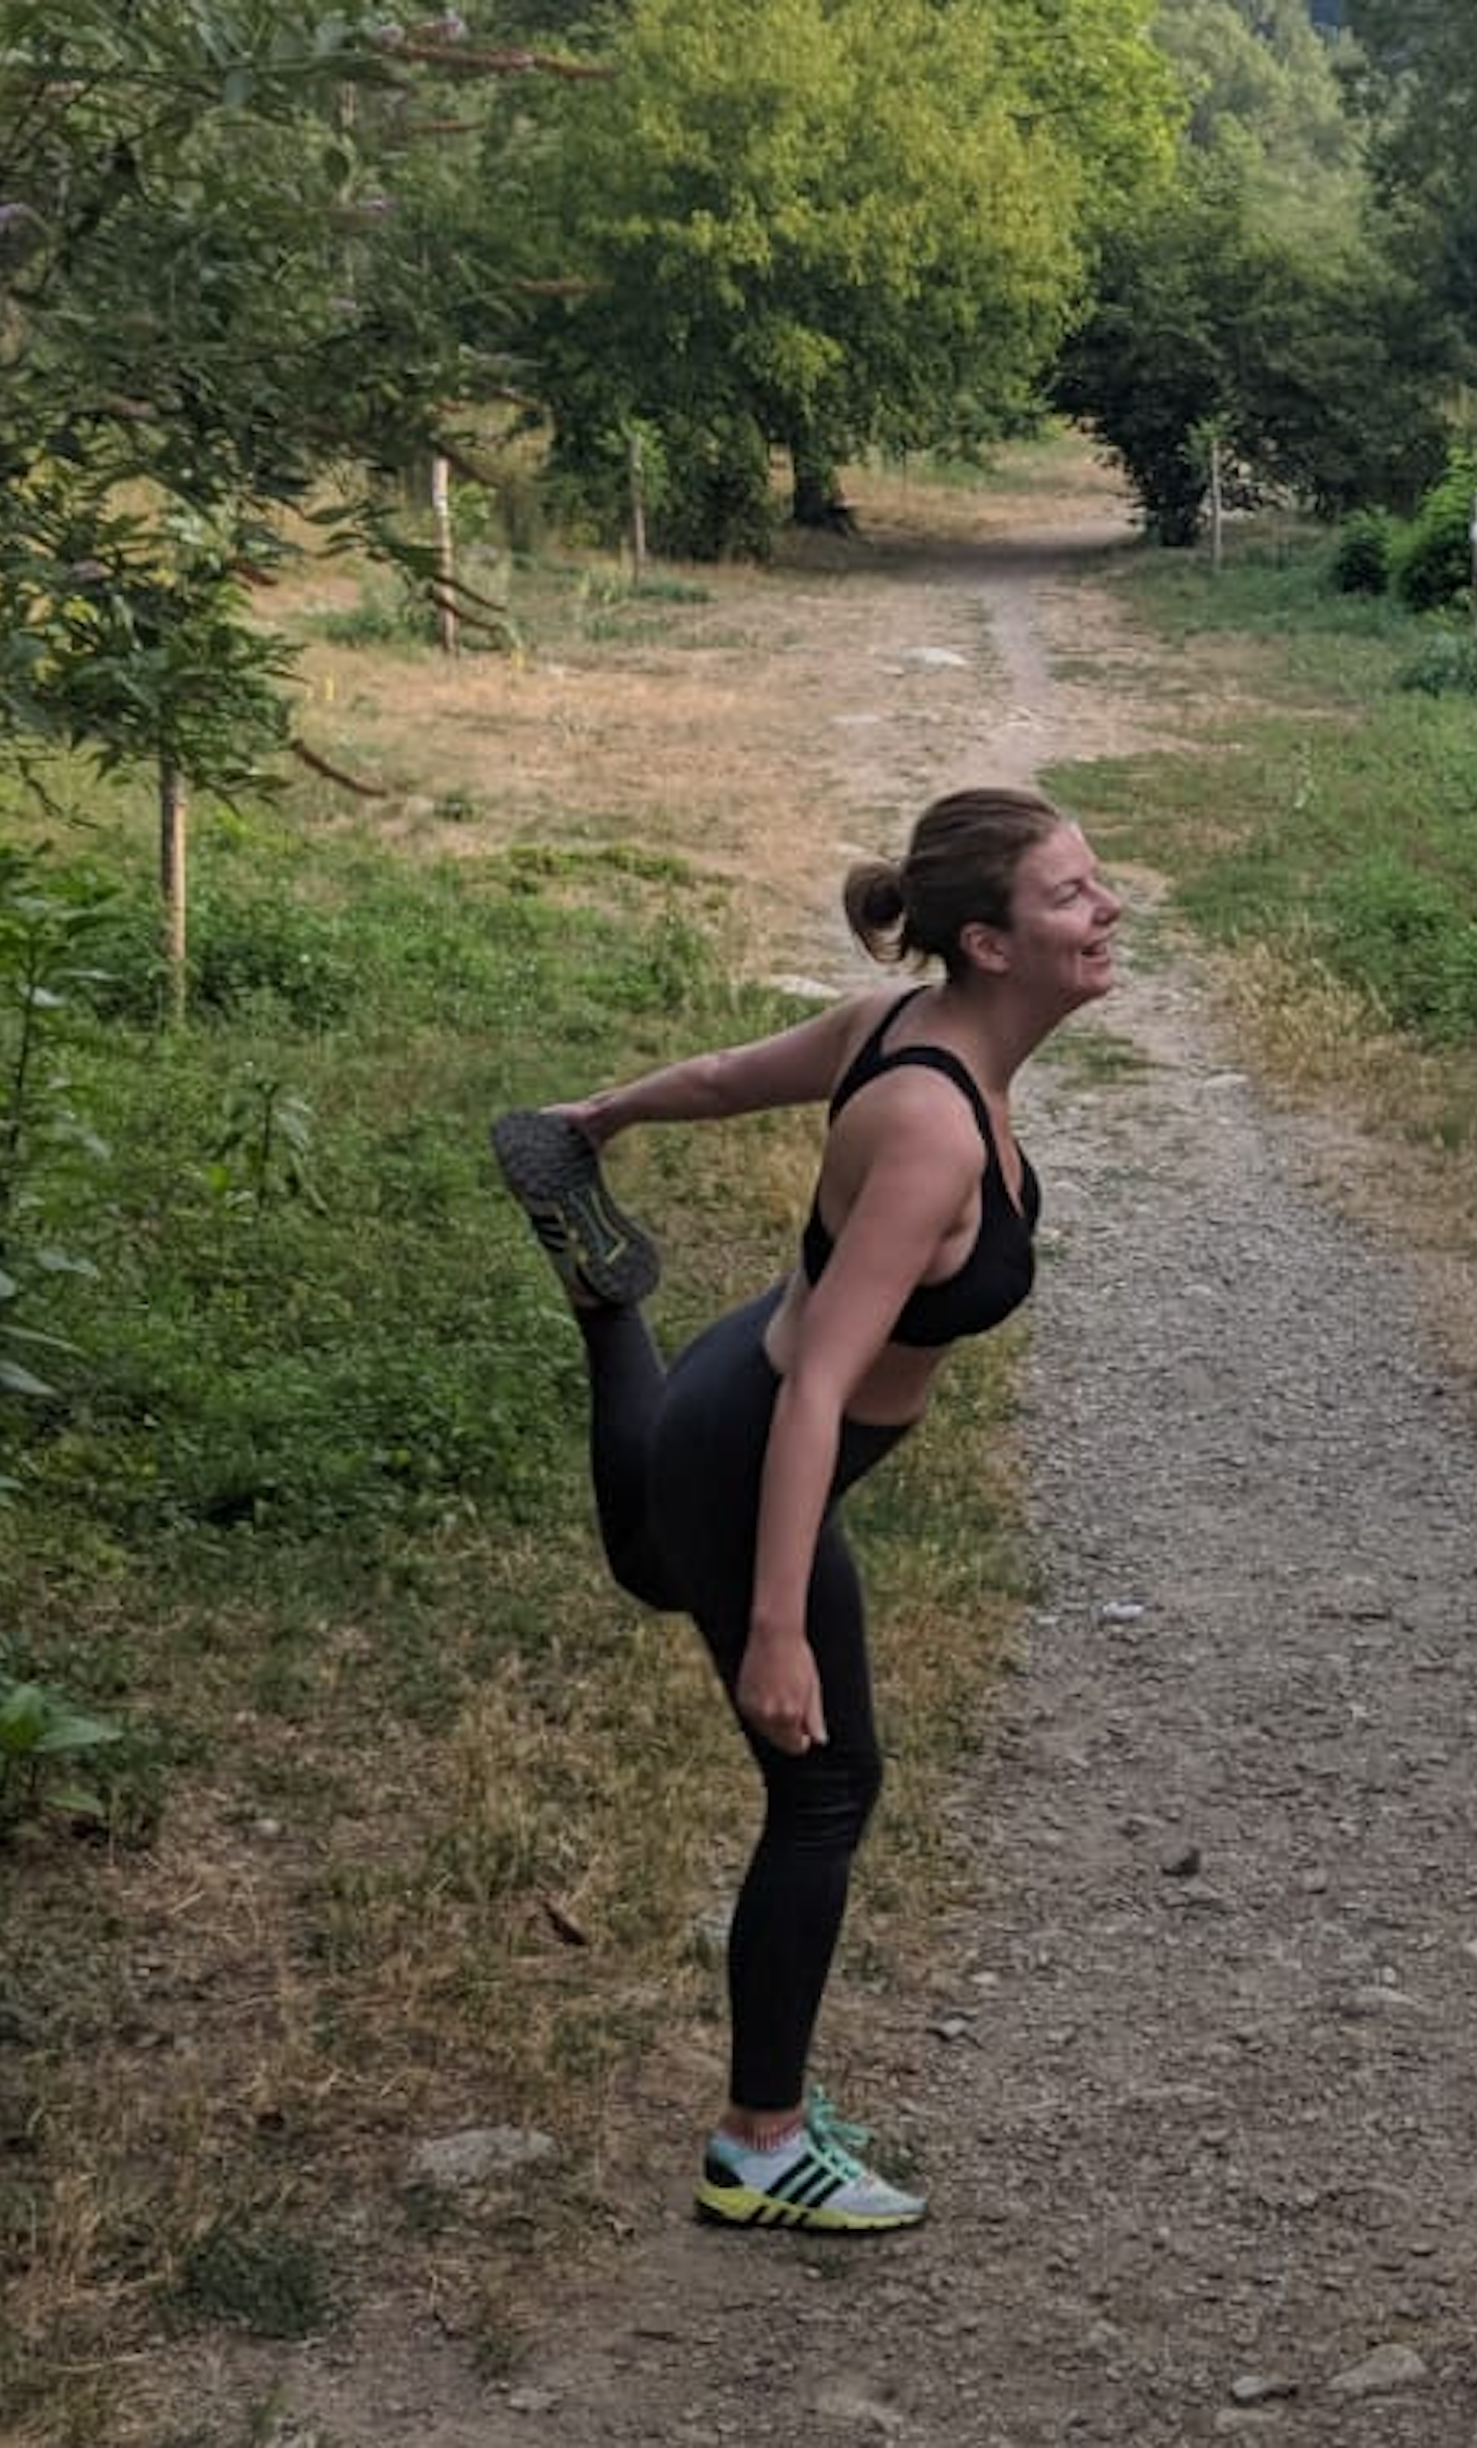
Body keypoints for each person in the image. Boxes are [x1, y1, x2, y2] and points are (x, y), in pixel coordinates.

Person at [488, 784, 1123, 2234]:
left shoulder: (900, 1032)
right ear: (988, 940)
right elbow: (823, 1394)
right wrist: (777, 1629)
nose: (1109, 911)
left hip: (731, 1382)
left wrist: (599, 1117)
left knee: (659, 1559)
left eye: (1098, 883)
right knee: (824, 1784)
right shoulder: (932, 1127)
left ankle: (607, 1302)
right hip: (764, 1424)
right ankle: (758, 2146)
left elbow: (724, 1075)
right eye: (1075, 896)